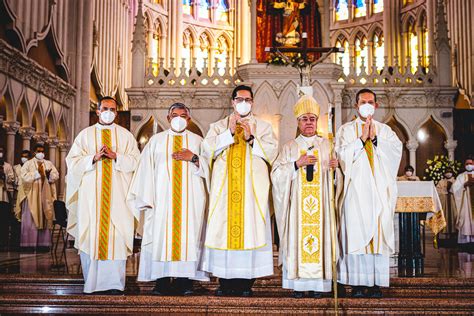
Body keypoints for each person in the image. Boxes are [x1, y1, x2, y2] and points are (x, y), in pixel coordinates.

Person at [201, 85, 278, 297]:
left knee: (250, 232)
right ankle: (224, 283)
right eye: (240, 99)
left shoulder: (262, 127)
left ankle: (246, 284)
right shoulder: (218, 126)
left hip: (251, 195)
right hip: (225, 193)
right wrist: (229, 134)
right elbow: (207, 150)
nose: (244, 102)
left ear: (252, 102)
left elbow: (272, 151)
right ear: (232, 101)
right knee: (223, 233)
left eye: (248, 99)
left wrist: (252, 138)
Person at [128, 103, 209, 296]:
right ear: (168, 118)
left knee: (188, 238)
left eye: (183, 115)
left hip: (191, 203)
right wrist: (146, 198)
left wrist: (195, 159)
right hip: (161, 203)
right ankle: (162, 282)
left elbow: (211, 169)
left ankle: (185, 282)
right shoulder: (156, 141)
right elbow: (145, 171)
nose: (179, 118)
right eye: (175, 115)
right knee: (160, 239)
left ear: (189, 119)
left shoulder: (199, 141)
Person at [66, 96, 140, 294]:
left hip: (119, 198)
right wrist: (93, 157)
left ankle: (115, 284)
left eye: (113, 109)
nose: (109, 112)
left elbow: (136, 162)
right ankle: (92, 284)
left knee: (116, 237)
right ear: (97, 111)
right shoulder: (85, 135)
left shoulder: (125, 136)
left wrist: (117, 157)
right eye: (105, 108)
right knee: (92, 236)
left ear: (117, 112)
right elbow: (72, 163)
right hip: (91, 199)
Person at [335, 88, 402, 298]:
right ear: (356, 105)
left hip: (379, 192)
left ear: (376, 105)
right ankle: (356, 284)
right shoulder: (346, 130)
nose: (366, 105)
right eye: (362, 101)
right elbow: (341, 157)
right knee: (355, 236)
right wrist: (360, 139)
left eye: (370, 101)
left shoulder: (385, 131)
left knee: (377, 236)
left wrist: (374, 140)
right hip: (355, 194)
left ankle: (374, 283)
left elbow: (395, 154)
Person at [271, 95, 338, 298]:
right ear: (298, 123)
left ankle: (319, 285)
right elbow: (276, 174)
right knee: (298, 241)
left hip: (322, 209)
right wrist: (295, 164)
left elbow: (337, 182)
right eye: (304, 119)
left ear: (317, 121)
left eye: (312, 118)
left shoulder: (327, 146)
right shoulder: (290, 147)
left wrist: (337, 171)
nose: (309, 122)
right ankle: (298, 285)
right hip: (298, 210)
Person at [16, 144, 59, 251]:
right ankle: (29, 244)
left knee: (45, 216)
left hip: (45, 195)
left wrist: (49, 176)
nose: (41, 153)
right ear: (34, 152)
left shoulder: (48, 163)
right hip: (32, 195)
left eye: (43, 151)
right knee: (31, 217)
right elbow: (24, 176)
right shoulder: (28, 163)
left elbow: (56, 175)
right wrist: (37, 174)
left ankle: (43, 245)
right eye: (39, 151)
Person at [451, 157, 474, 247]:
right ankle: (466, 242)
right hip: (465, 204)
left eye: (470, 163)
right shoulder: (461, 176)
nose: (468, 165)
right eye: (467, 164)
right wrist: (464, 185)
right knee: (466, 220)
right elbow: (454, 188)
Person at [0, 147, 15, 251]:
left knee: (4, 221)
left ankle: (3, 242)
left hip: (4, 196)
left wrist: (4, 176)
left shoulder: (7, 166)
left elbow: (12, 178)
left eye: (1, 151)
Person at [436, 169, 457, 239]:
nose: (448, 173)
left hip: (453, 202)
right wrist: (445, 191)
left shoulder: (456, 181)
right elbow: (437, 192)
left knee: (454, 215)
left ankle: (454, 233)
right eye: (447, 172)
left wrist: (451, 190)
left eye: (450, 172)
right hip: (444, 203)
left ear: (452, 173)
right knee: (445, 216)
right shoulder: (441, 182)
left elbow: (459, 191)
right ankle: (445, 235)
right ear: (444, 173)